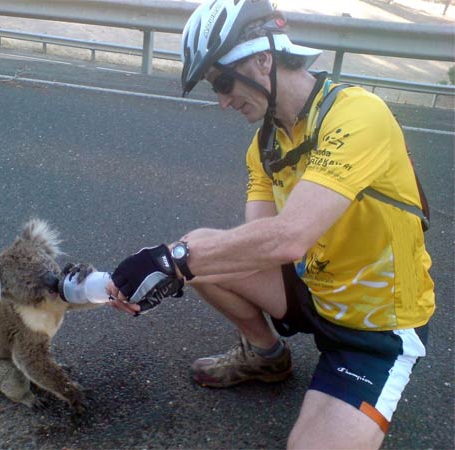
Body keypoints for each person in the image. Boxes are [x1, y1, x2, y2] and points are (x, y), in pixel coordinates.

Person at [106, 0, 435, 448]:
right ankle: (266, 356)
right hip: (314, 292)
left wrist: (172, 261)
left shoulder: (357, 116)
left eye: (223, 82)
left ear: (263, 57)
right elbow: (254, 242)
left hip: (374, 328)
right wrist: (178, 261)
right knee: (202, 248)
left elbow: (289, 238)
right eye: (214, 89)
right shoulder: (266, 144)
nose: (222, 101)